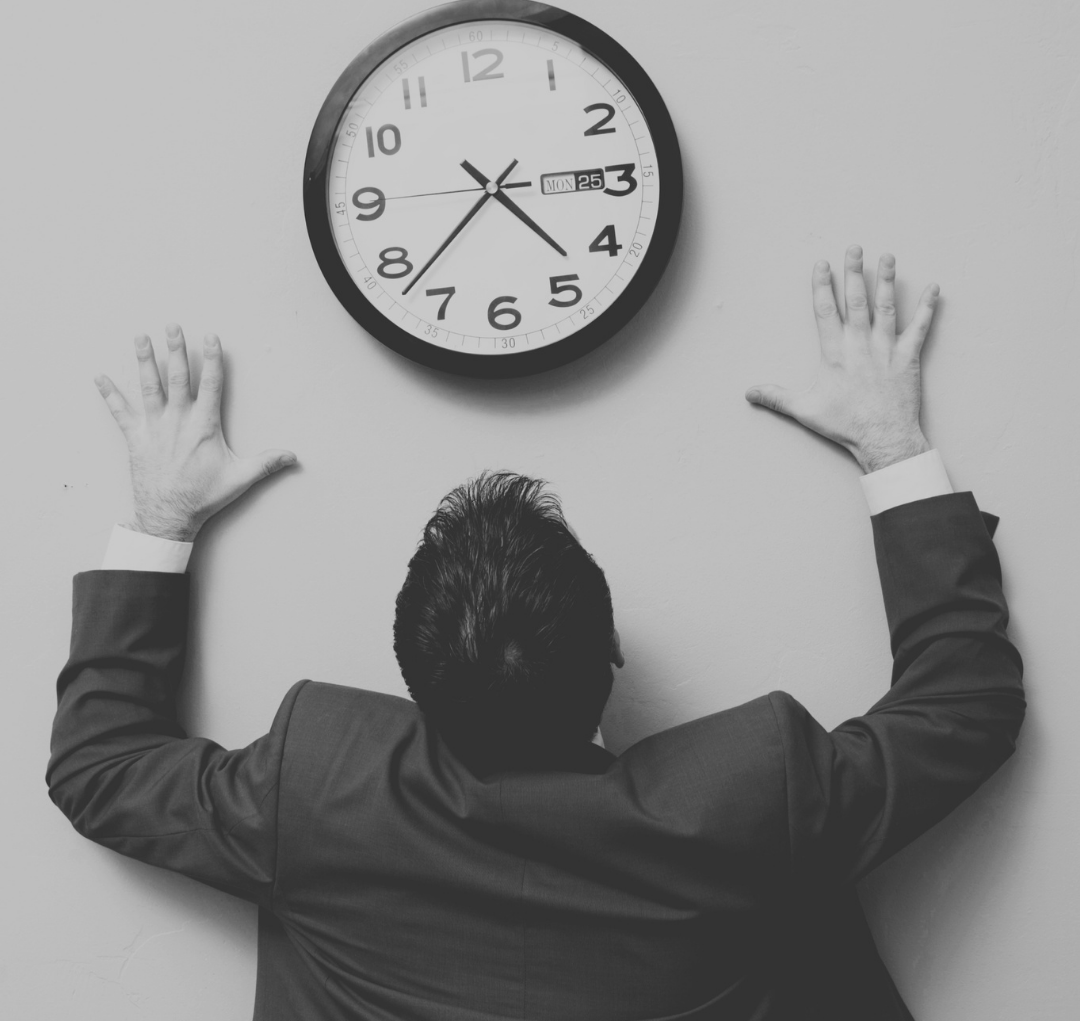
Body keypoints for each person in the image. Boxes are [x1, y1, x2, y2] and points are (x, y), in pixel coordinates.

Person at [48, 246, 1025, 1020]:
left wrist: (161, 518)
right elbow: (966, 710)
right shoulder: (751, 795)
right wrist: (892, 445)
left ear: (412, 676)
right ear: (611, 655)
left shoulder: (317, 790)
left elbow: (101, 767)